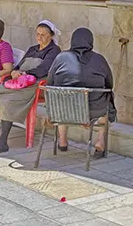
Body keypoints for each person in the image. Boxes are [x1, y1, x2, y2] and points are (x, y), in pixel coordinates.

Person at [0, 19, 61, 154]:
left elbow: (44, 69)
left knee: (8, 102)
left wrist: (25, 73)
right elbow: (19, 65)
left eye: (43, 35)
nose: (39, 37)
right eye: (37, 34)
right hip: (18, 81)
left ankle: (3, 142)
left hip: (34, 85)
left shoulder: (54, 51)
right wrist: (15, 71)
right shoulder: (33, 49)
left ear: (51, 35)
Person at [47, 27, 116, 157]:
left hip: (61, 110)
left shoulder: (60, 58)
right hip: (93, 110)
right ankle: (100, 142)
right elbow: (109, 84)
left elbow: (50, 82)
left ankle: (62, 141)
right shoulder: (99, 60)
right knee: (107, 104)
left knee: (64, 100)